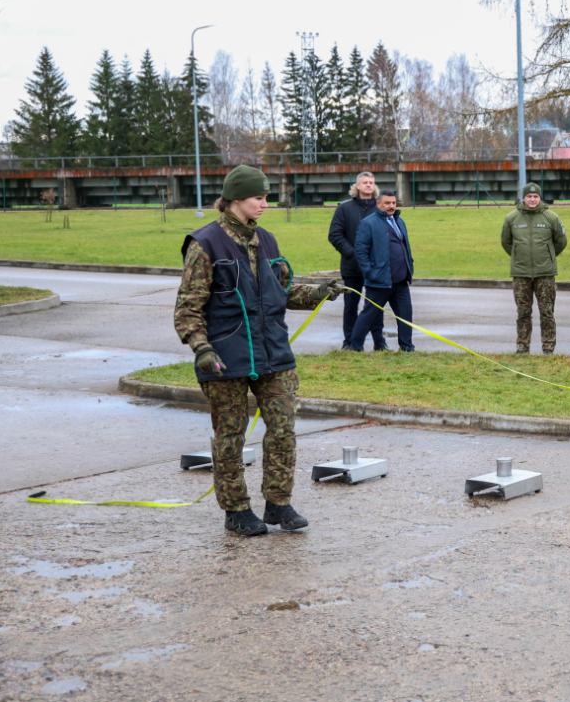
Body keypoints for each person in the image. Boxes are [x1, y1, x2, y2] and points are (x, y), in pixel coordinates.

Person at [174, 164, 341, 537]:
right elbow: (187, 309)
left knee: (283, 430)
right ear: (236, 199)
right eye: (259, 198)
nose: (266, 204)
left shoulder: (267, 240)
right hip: (225, 358)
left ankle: (278, 504)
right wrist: (202, 349)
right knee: (230, 437)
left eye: (266, 197)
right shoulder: (205, 244)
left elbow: (282, 291)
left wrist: (318, 292)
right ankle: (236, 510)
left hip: (273, 353)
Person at [501, 182, 567, 354]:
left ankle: (548, 347)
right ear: (523, 198)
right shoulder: (511, 218)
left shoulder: (551, 217)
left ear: (540, 197)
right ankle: (522, 347)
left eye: (535, 196)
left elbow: (561, 241)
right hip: (521, 274)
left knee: (547, 311)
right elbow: (506, 242)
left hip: (545, 273)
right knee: (523, 312)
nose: (532, 199)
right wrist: (519, 256)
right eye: (529, 196)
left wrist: (547, 256)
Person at [349, 190, 416, 353]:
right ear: (378, 203)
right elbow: (361, 252)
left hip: (401, 280)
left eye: (393, 203)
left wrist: (409, 265)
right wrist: (370, 274)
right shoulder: (368, 223)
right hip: (379, 281)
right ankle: (355, 347)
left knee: (405, 315)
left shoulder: (399, 221)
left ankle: (407, 348)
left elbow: (404, 246)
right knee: (369, 315)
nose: (391, 206)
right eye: (387, 203)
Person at [327, 170, 385, 351]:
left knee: (375, 305)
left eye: (371, 182)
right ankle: (349, 342)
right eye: (365, 182)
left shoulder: (381, 208)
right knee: (351, 306)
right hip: (352, 267)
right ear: (357, 186)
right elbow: (335, 235)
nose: (368, 185)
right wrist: (353, 254)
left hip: (376, 267)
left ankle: (379, 342)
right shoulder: (344, 208)